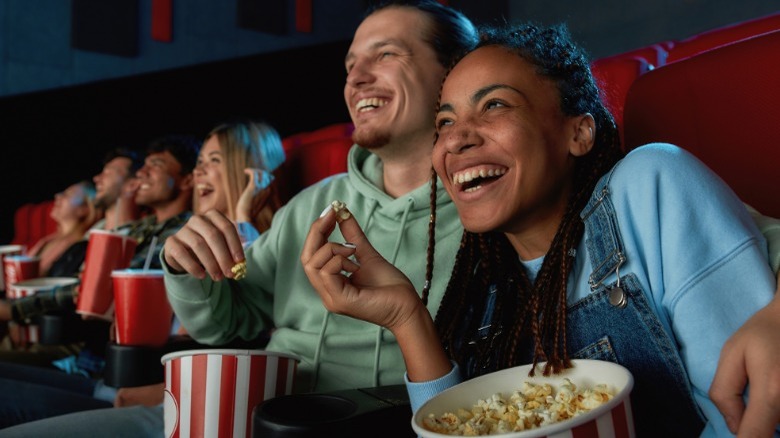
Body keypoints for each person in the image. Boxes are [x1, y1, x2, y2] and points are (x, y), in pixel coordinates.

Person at [300, 23, 779, 436]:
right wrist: (406, 318)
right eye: (445, 122)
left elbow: (750, 419)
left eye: (494, 106)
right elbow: (461, 432)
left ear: (578, 132)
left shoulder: (649, 185)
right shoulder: (483, 289)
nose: (458, 138)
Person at [0, 121, 285, 434]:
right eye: (200, 161)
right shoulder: (184, 241)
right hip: (126, 384)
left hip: (166, 398)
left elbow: (234, 331)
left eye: (214, 161)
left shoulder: (270, 244)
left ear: (249, 170)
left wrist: (243, 218)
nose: (200, 170)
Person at [0, 135, 200, 429]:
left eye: (155, 165)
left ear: (186, 180)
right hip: (95, 361)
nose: (141, 173)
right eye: (141, 165)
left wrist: (14, 310)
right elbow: (93, 278)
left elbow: (103, 287)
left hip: (115, 375)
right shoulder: (141, 227)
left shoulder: (182, 234)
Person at [26, 180, 101, 277]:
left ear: (84, 209)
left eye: (67, 195)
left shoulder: (79, 248)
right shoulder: (47, 240)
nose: (57, 196)